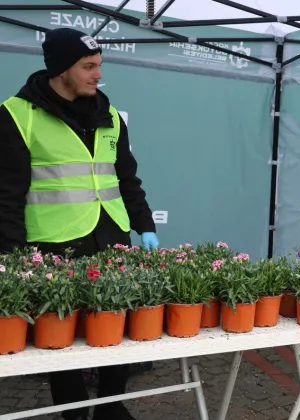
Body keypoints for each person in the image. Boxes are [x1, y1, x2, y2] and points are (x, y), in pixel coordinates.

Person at [0, 28, 159, 420]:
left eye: (99, 65)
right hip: (53, 242)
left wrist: (145, 224)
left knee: (115, 326)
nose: (97, 75)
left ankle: (111, 407)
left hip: (112, 236)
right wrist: (12, 255)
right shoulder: (17, 116)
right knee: (61, 335)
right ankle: (73, 411)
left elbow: (127, 180)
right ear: (61, 69)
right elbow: (6, 195)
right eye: (88, 66)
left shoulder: (110, 116)